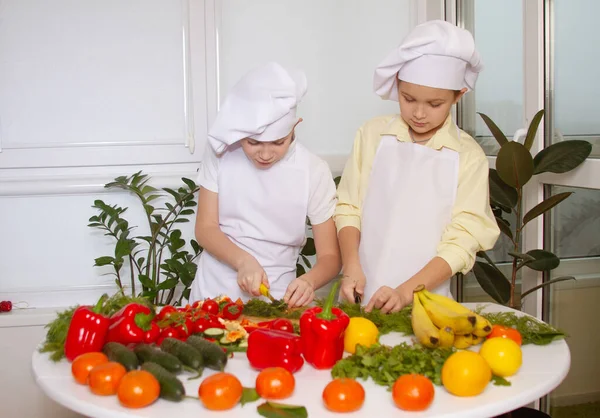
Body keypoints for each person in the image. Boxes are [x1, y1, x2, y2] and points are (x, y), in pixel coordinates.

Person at [334, 20, 500, 314]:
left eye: (435, 104)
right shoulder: (372, 134)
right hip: (358, 293)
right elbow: (349, 207)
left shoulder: (468, 156)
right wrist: (351, 266)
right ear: (397, 83)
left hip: (428, 304)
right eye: (408, 99)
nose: (419, 113)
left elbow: (463, 240)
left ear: (458, 96)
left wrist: (405, 291)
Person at [190, 62, 341, 308]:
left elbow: (330, 257)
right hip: (213, 294)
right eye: (253, 142)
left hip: (278, 299)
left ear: (295, 125)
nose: (265, 154)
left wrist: (309, 282)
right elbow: (205, 228)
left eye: (278, 142)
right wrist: (242, 260)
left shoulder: (313, 170)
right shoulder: (221, 153)